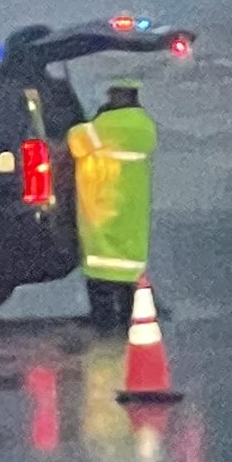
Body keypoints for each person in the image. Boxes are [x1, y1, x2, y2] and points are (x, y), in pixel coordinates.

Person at [67, 78, 158, 331]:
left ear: (119, 96)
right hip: (131, 215)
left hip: (103, 210)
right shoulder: (144, 126)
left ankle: (106, 332)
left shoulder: (106, 125)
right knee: (127, 282)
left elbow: (76, 142)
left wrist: (93, 120)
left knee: (101, 282)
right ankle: (126, 324)